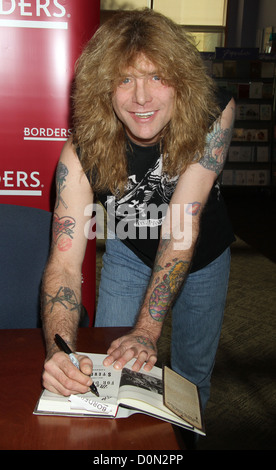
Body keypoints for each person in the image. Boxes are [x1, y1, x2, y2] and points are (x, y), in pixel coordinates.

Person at [41, 8, 235, 412]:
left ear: (180, 82)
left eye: (156, 77)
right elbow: (64, 264)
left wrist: (147, 330)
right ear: (104, 89)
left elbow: (182, 225)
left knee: (189, 380)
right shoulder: (82, 151)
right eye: (124, 79)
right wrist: (59, 351)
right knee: (108, 368)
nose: (141, 97)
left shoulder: (211, 115)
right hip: (130, 252)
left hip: (203, 257)